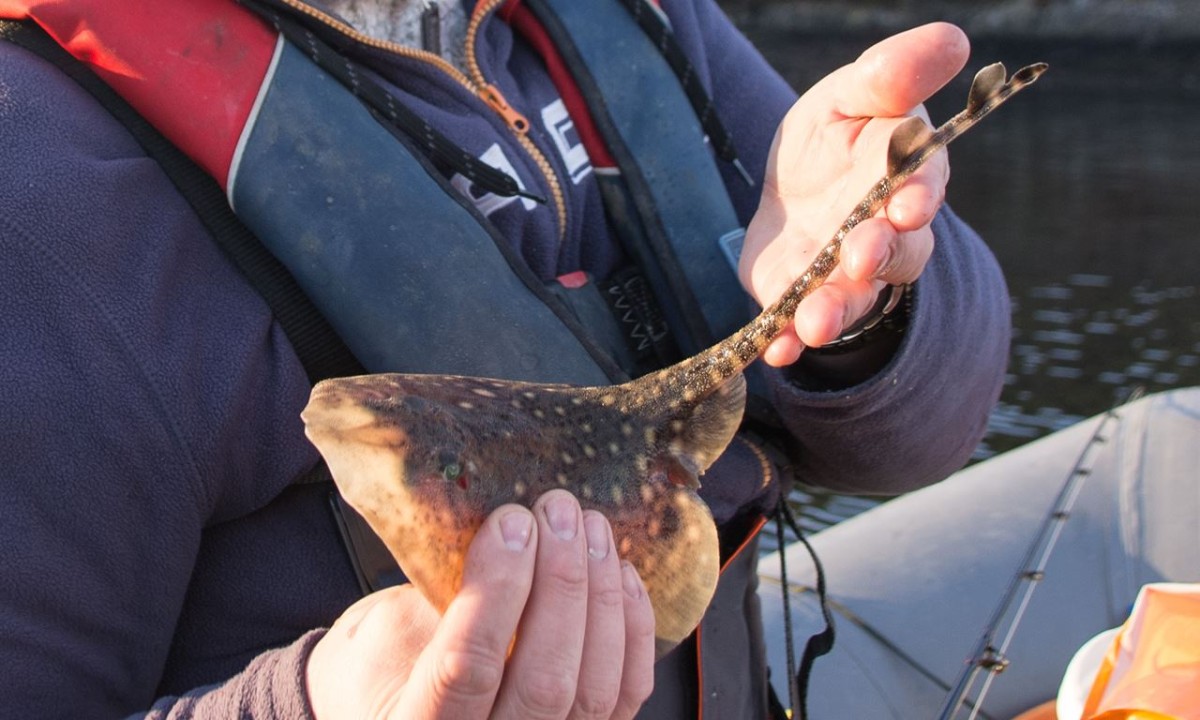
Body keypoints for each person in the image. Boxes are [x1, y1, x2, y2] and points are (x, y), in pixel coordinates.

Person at [0, 0, 1010, 717]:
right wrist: (310, 705)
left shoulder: (633, 16)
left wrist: (865, 299)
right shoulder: (40, 194)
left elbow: (927, 431)